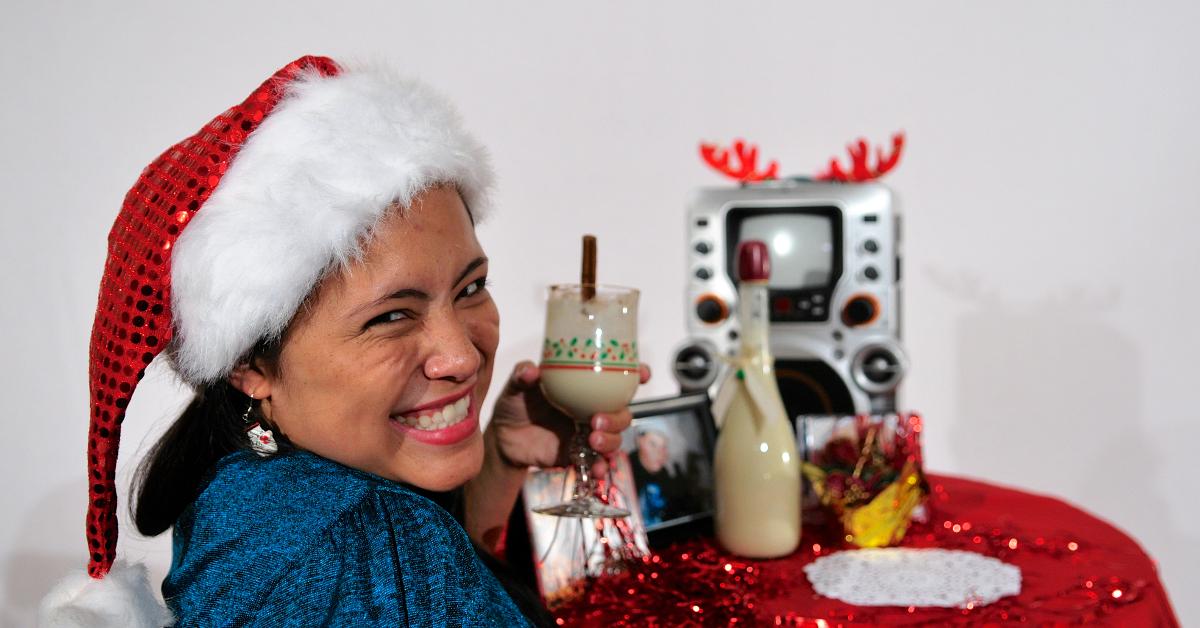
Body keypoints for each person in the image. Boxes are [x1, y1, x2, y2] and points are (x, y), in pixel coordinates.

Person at [40, 56, 647, 627]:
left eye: (471, 287)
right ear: (251, 363)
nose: (462, 355)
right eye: (391, 317)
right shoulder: (358, 540)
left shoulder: (255, 493)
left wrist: (500, 465)